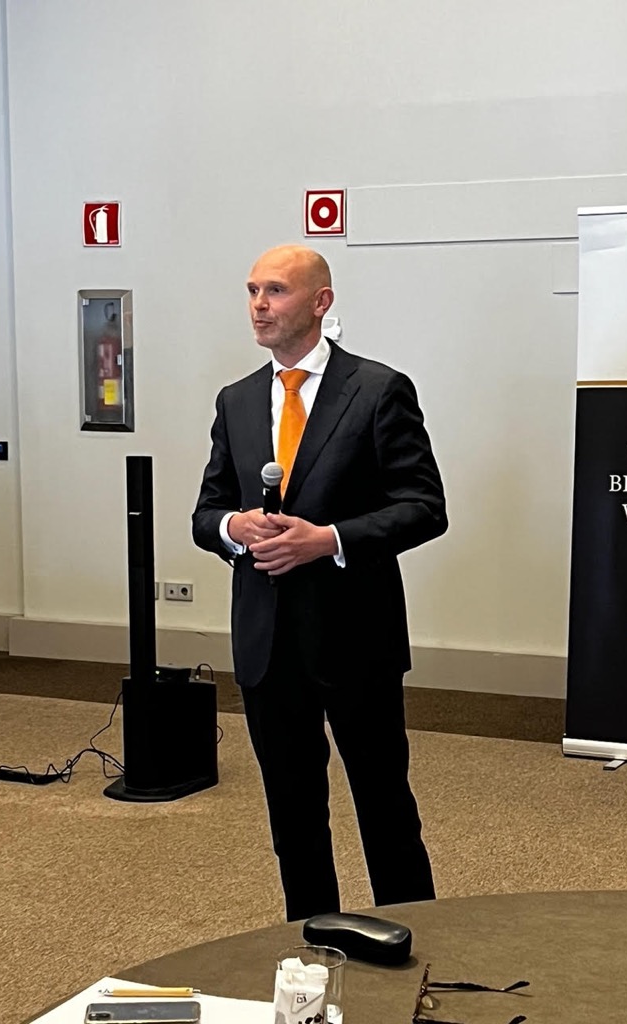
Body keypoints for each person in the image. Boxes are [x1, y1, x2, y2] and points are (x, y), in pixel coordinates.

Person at [192, 244, 447, 921]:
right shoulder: (237, 400)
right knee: (293, 818)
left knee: (385, 810)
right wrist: (235, 527)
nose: (259, 305)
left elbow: (424, 507)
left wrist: (328, 539)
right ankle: (314, 946)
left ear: (320, 301)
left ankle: (419, 941)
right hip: (267, 644)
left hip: (355, 637)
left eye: (275, 291)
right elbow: (206, 513)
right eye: (252, 291)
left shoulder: (378, 390)